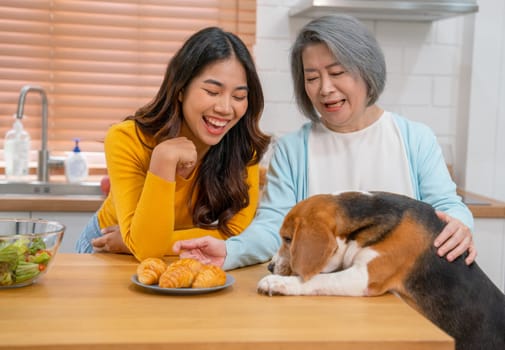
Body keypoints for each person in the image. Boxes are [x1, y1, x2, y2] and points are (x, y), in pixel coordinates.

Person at [172, 14, 476, 270]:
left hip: (405, 296)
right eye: (312, 77)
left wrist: (462, 224)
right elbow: (273, 228)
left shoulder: (414, 139)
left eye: (337, 72)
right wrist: (230, 251)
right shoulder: (292, 150)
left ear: (367, 70)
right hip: (319, 299)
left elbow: (448, 206)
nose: (325, 89)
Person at [75, 26, 270, 261]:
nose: (226, 108)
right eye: (212, 91)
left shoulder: (241, 148)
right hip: (107, 245)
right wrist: (163, 160)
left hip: (147, 248)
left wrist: (135, 242)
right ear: (181, 89)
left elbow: (234, 233)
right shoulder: (127, 139)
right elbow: (148, 249)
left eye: (239, 96)